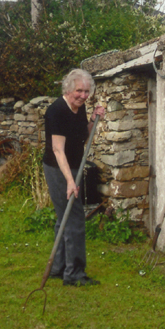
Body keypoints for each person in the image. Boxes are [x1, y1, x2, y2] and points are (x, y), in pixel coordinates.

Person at [43, 69, 105, 286]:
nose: (83, 95)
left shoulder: (79, 108)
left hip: (74, 166)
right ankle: (74, 274)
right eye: (79, 90)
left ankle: (59, 268)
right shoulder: (56, 112)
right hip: (59, 169)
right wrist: (70, 181)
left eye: (87, 91)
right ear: (68, 89)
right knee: (75, 218)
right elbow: (58, 150)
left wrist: (94, 120)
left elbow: (83, 135)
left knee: (64, 218)